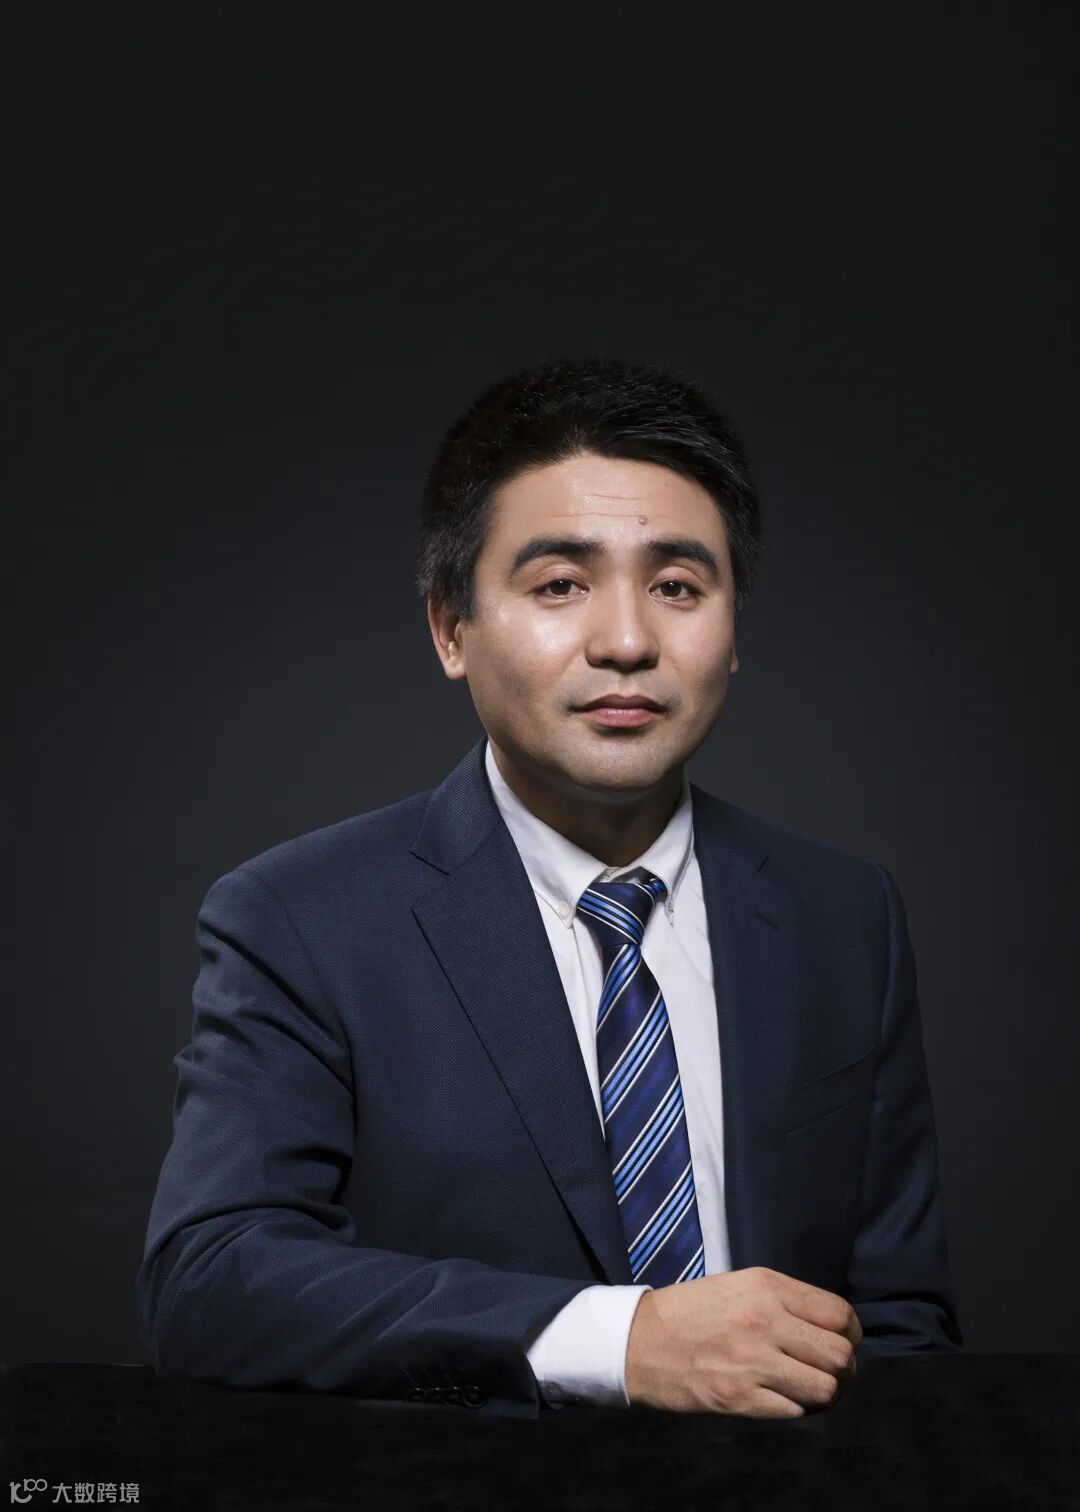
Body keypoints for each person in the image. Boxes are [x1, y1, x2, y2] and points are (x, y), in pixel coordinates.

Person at [136, 356, 962, 1420]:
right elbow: (208, 1282)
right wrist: (618, 1341)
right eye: (560, 585)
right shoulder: (299, 918)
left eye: (678, 587)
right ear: (451, 628)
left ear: (733, 631)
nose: (627, 642)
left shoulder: (844, 916)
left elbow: (902, 1324)